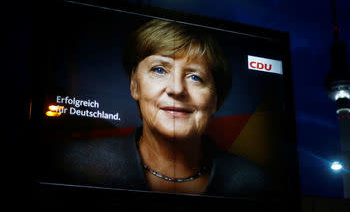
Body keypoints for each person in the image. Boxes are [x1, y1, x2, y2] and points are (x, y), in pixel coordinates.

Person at [43, 19, 272, 197]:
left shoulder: (254, 183)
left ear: (215, 100)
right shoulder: (72, 165)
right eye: (160, 70)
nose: (176, 89)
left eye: (195, 77)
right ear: (135, 85)